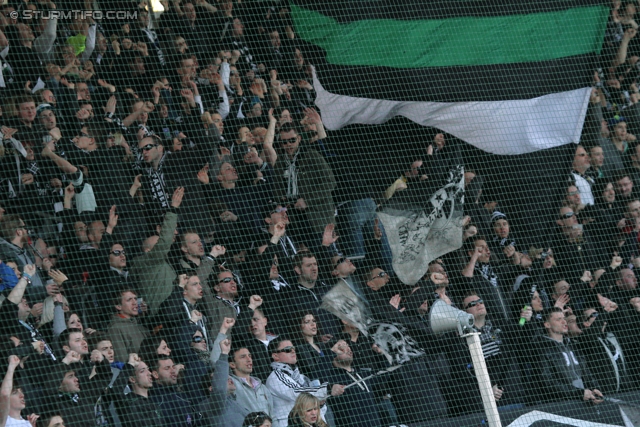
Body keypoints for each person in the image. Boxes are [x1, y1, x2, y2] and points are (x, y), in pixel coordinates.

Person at [266, 338, 344, 427]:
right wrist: (327, 389)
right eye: (288, 350)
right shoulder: (275, 377)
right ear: (275, 356)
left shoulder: (299, 376)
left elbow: (313, 400)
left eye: (293, 349)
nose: (293, 352)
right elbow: (298, 393)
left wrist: (321, 403)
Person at [533, 308, 603, 404]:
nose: (564, 322)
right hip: (563, 404)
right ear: (547, 324)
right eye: (558, 319)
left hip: (585, 399)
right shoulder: (542, 349)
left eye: (564, 318)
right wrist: (577, 393)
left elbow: (586, 370)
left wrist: (595, 387)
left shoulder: (573, 344)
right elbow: (547, 381)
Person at [1, 355, 38, 427]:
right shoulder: (4, 421)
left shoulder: (29, 423)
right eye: (14, 392)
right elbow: (4, 394)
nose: (22, 395)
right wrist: (12, 366)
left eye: (21, 391)